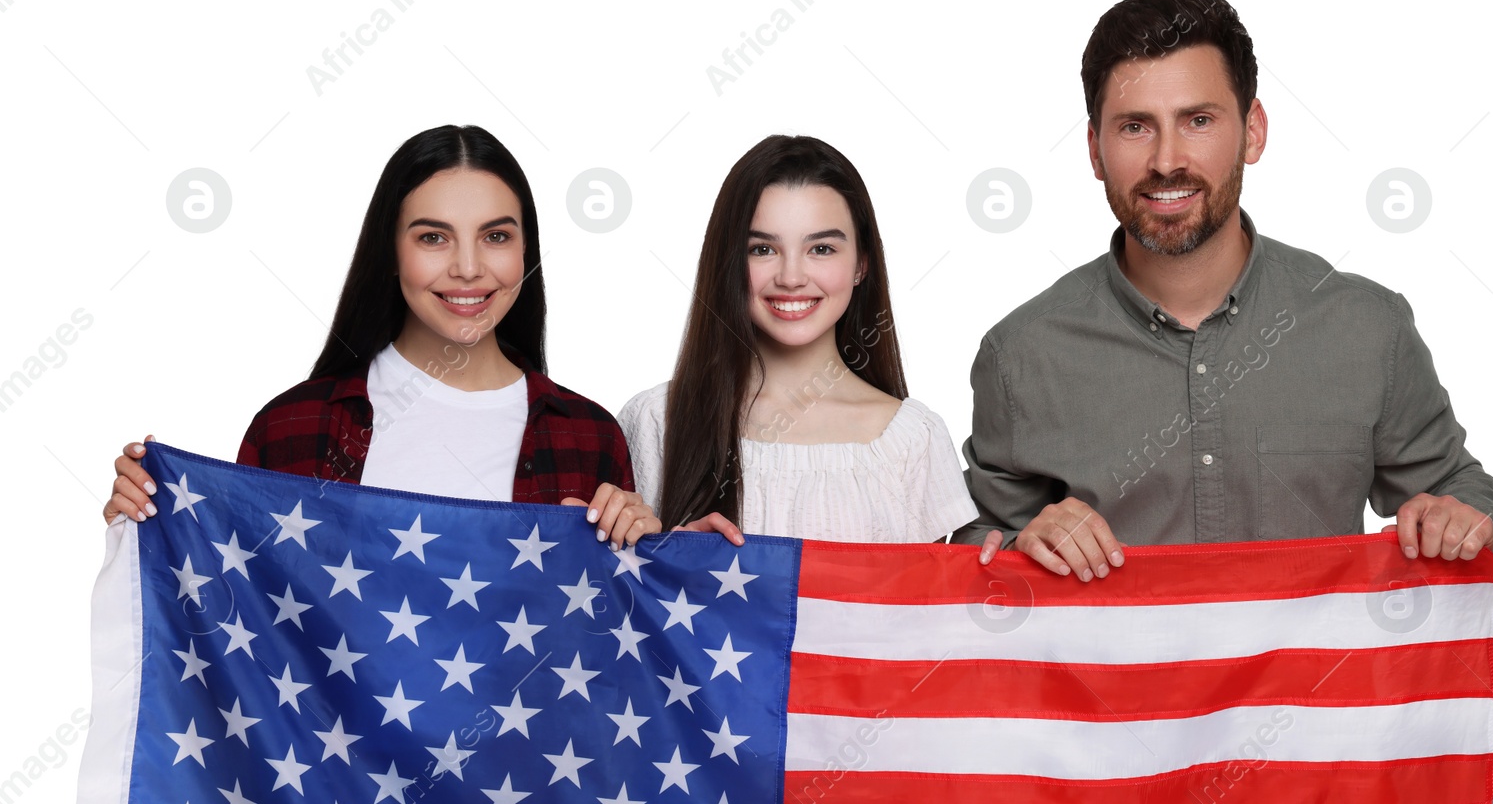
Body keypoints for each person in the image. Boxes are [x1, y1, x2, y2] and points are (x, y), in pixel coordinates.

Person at [956, 0, 1493, 579]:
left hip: (1314, 675)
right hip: (1117, 676)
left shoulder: (1369, 327)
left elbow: (1458, 489)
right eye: (1136, 127)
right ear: (1094, 150)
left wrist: (1460, 519)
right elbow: (971, 546)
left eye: (1198, 120)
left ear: (1252, 131)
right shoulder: (1020, 355)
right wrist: (1015, 545)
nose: (1167, 161)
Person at [103, 124, 658, 548]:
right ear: (391, 253)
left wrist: (648, 546)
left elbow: (613, 656)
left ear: (524, 252)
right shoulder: (292, 428)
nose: (468, 268)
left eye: (494, 235)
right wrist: (148, 527)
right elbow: (239, 617)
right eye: (434, 237)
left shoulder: (591, 437)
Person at [619, 134, 976, 544]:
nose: (791, 278)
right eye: (762, 249)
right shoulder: (654, 421)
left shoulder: (913, 440)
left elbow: (934, 603)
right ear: (730, 261)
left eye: (821, 248)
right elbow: (613, 588)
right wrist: (671, 553)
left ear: (861, 265)